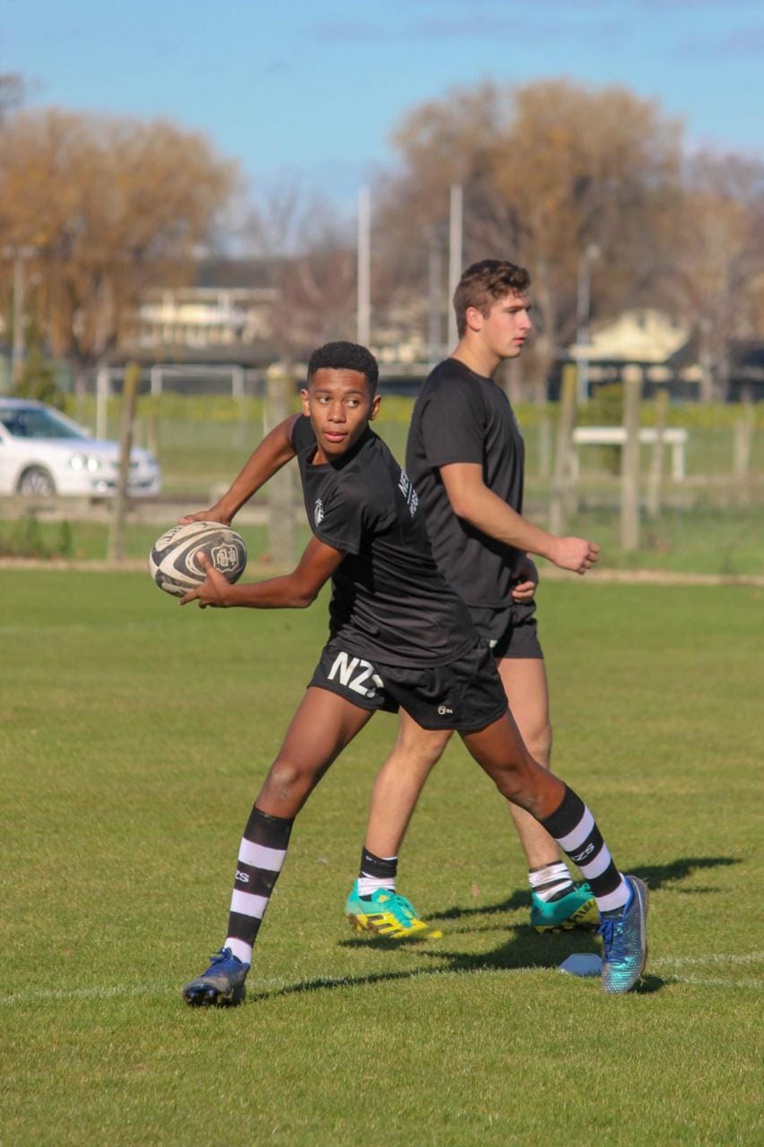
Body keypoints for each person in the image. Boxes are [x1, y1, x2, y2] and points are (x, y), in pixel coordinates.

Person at [178, 340, 647, 1006]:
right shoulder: (310, 429)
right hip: (365, 638)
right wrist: (225, 507)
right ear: (307, 398)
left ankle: (618, 894)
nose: (335, 416)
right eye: (324, 399)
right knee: (288, 775)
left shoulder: (359, 486)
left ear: (375, 406)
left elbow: (300, 590)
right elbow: (281, 439)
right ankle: (233, 956)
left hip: (438, 649)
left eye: (352, 402)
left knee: (520, 778)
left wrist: (227, 595)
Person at [345, 259, 601, 942]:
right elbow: (464, 496)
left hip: (500, 591)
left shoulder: (489, 392)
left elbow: (489, 506)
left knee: (534, 737)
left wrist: (516, 555)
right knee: (422, 740)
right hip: (449, 599)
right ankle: (373, 887)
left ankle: (549, 887)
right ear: (474, 317)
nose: (527, 323)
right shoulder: (452, 391)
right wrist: (550, 544)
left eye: (526, 309)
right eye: (513, 311)